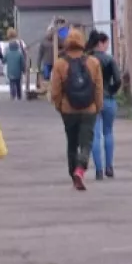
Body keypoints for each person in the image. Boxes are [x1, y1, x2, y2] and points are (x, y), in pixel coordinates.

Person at [48, 32, 104, 190]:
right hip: (89, 110)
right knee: (86, 143)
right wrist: (97, 107)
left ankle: (74, 175)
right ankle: (81, 169)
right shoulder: (93, 63)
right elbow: (99, 89)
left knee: (72, 143)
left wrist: (60, 106)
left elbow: (55, 91)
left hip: (68, 110)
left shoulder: (60, 64)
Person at [86, 31, 122, 179]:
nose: (107, 46)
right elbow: (118, 80)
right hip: (108, 99)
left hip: (92, 100)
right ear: (100, 43)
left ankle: (99, 170)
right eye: (106, 43)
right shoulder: (109, 60)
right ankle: (109, 167)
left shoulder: (87, 60)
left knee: (95, 135)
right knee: (108, 132)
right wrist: (111, 91)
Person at [3, 27, 27, 101]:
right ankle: (19, 95)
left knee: (11, 82)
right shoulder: (20, 42)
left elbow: (4, 58)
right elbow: (25, 52)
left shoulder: (7, 45)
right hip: (19, 67)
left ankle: (12, 95)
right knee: (18, 82)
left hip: (10, 67)